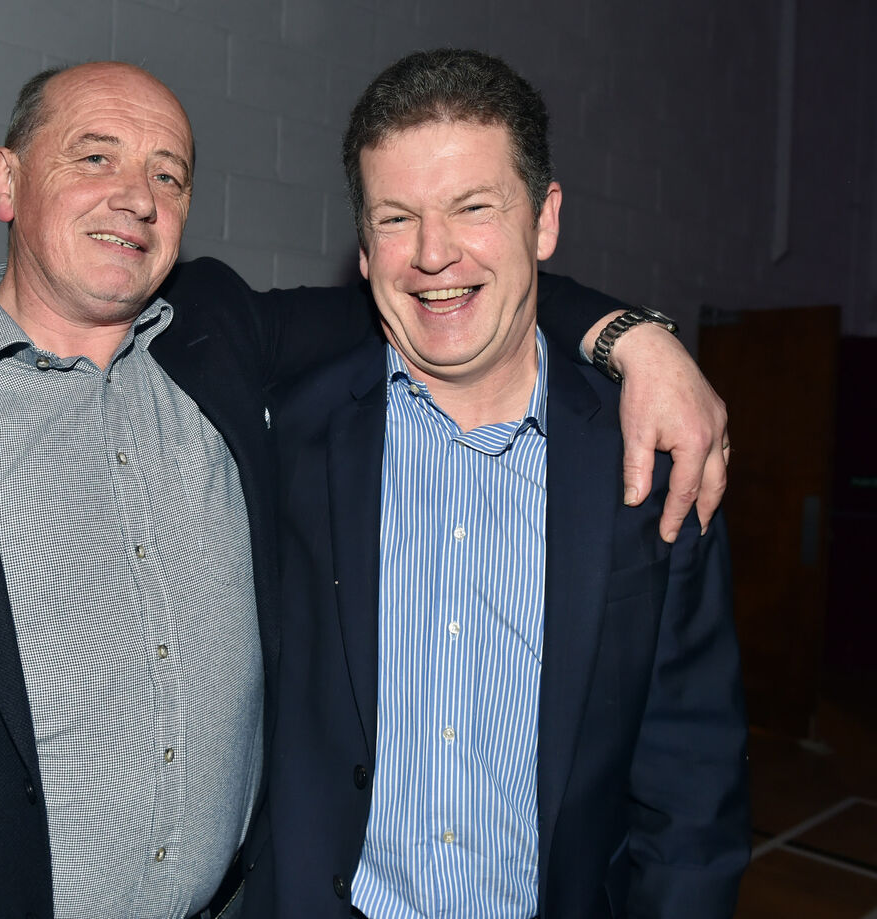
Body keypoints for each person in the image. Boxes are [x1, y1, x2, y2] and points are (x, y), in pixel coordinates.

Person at [0, 61, 731, 919]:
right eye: (95, 156)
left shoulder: (218, 339)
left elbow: (457, 290)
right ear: (4, 180)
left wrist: (634, 338)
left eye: (167, 172)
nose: (136, 193)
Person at [259, 50, 749, 919]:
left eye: (473, 207)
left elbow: (692, 791)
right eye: (397, 219)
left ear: (545, 219)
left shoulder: (650, 454)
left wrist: (635, 339)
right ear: (365, 251)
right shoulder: (294, 432)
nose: (434, 254)